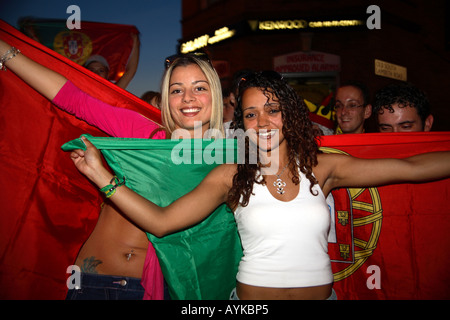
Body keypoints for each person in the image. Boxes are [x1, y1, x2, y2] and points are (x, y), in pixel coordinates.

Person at [69, 70, 450, 300]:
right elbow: (162, 222)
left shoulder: (324, 167)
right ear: (243, 122)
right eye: (251, 113)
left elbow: (411, 166)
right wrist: (103, 177)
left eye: (272, 110)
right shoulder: (231, 175)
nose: (262, 122)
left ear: (290, 114)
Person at [0, 38, 224, 299]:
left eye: (199, 87)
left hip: (152, 290)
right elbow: (72, 99)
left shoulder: (225, 162)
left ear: (215, 93)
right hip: (94, 282)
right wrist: (6, 52)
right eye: (176, 90)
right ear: (167, 98)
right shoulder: (144, 134)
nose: (187, 98)